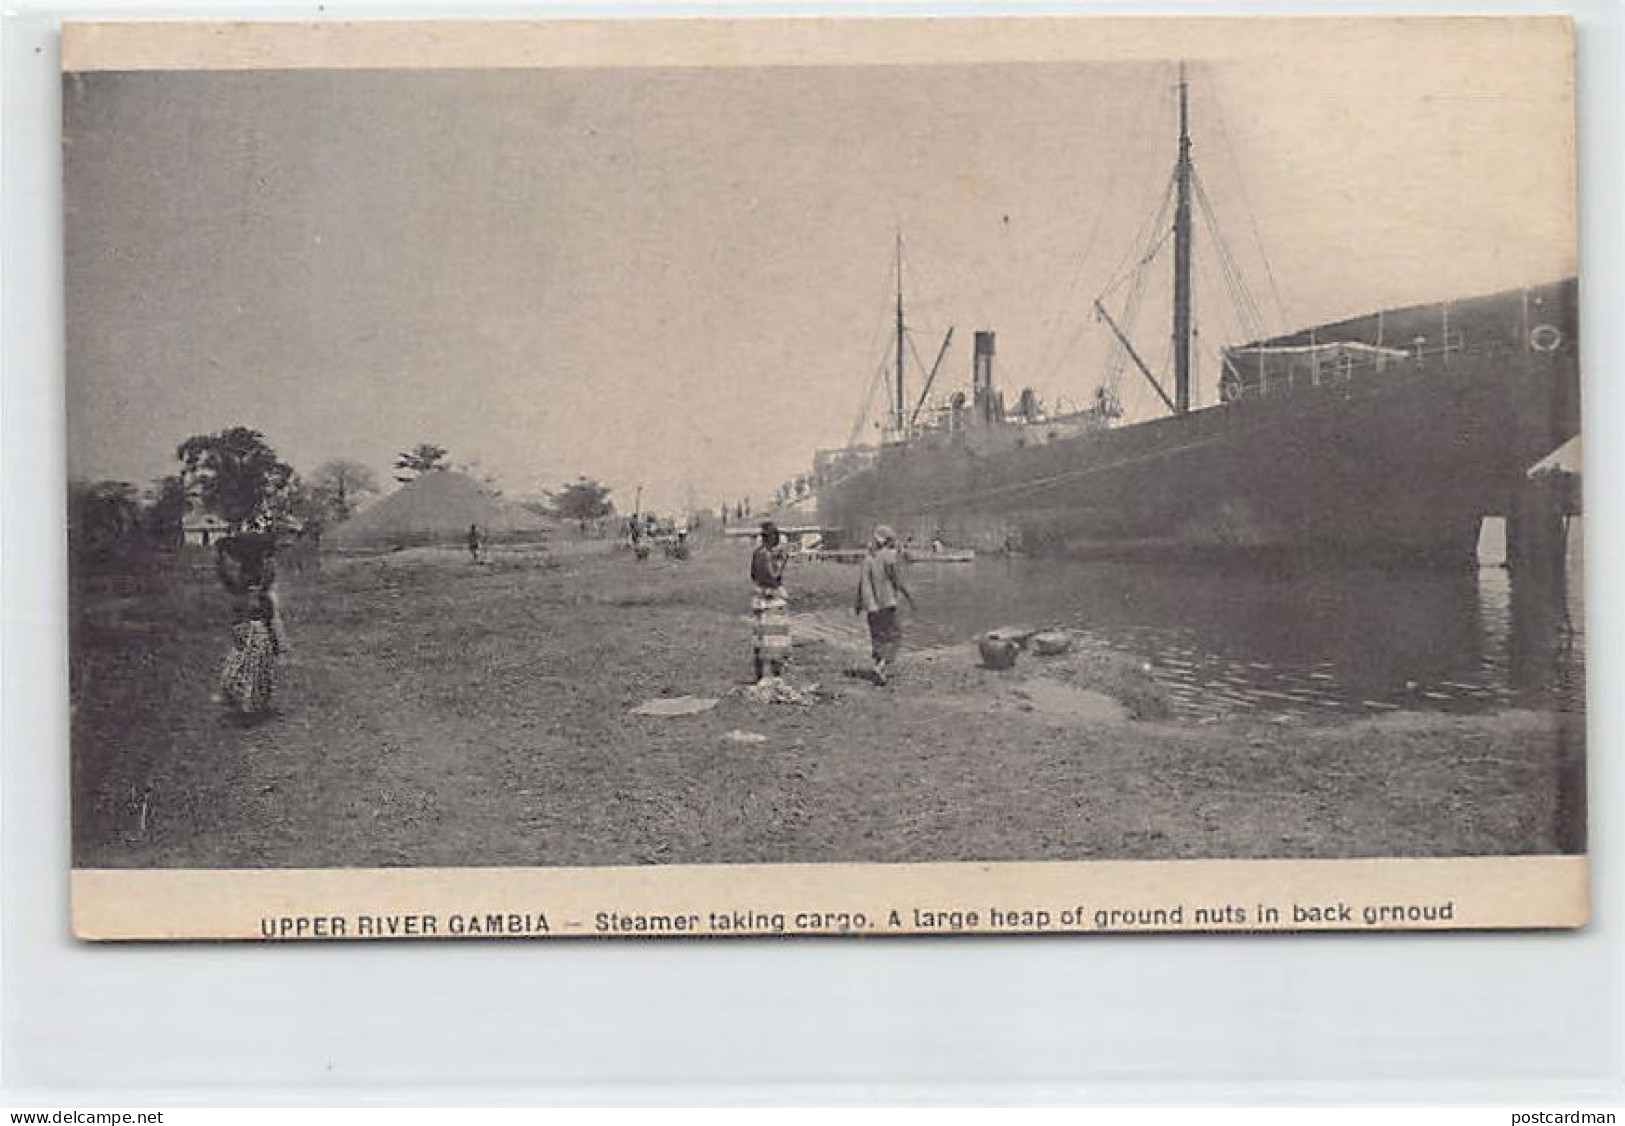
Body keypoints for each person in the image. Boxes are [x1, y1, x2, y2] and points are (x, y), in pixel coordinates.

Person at [215, 534, 287, 721]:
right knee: (253, 662)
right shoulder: (253, 588)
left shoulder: (245, 585)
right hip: (253, 625)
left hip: (251, 624)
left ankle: (247, 701)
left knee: (251, 661)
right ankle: (248, 703)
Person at [854, 524, 915, 686]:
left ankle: (878, 665)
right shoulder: (888, 557)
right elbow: (898, 580)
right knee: (895, 635)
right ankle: (882, 666)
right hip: (887, 603)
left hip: (871, 606)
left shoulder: (867, 559)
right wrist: (909, 597)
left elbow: (861, 585)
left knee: (878, 636)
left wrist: (858, 604)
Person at [750, 521, 791, 682]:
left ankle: (762, 674)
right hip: (772, 598)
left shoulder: (757, 553)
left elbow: (753, 575)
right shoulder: (767, 555)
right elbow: (773, 576)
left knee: (761, 638)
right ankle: (772, 675)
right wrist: (782, 561)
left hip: (759, 597)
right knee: (774, 638)